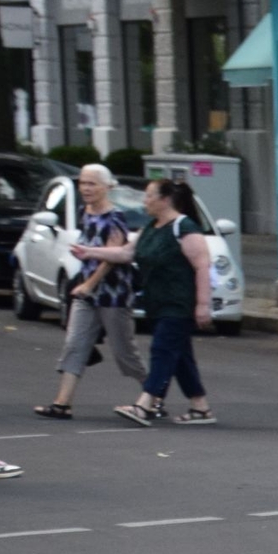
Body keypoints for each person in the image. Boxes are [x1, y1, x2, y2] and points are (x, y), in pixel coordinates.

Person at [77, 177, 217, 427]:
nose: (145, 201)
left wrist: (202, 305)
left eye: (149, 196)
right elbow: (126, 253)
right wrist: (89, 252)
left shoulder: (185, 228)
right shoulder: (151, 227)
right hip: (158, 303)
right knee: (181, 356)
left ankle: (145, 404)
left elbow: (202, 266)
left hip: (179, 303)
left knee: (162, 350)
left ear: (165, 200)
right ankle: (200, 407)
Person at [34, 163, 145, 418]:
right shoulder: (86, 212)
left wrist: (89, 284)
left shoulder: (114, 218)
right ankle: (62, 403)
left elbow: (112, 256)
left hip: (113, 294)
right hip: (87, 294)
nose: (85, 188)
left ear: (107, 187)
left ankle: (153, 395)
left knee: (124, 351)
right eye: (83, 183)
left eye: (92, 183)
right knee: (75, 344)